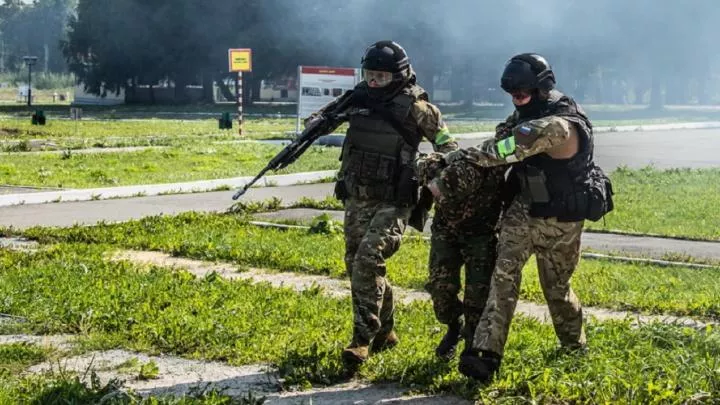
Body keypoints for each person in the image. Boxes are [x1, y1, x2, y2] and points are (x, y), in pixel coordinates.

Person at [428, 53, 613, 381]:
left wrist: (459, 155)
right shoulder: (526, 113)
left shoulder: (557, 124)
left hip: (562, 219)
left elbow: (502, 151)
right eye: (512, 92)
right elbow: (501, 139)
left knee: (557, 288)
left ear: (542, 88)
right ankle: (485, 354)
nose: (516, 97)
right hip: (524, 211)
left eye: (523, 92)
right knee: (503, 276)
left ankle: (574, 345)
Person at [307, 40, 458, 369]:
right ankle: (386, 330)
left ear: (399, 75)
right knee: (358, 267)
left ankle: (362, 338)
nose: (374, 82)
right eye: (370, 75)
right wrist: (314, 122)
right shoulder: (357, 96)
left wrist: (432, 166)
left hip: (395, 199)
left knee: (368, 257)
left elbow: (449, 147)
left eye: (381, 77)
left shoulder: (418, 108)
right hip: (357, 195)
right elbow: (327, 117)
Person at [417, 148, 507, 361]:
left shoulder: (494, 167)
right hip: (446, 231)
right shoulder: (439, 167)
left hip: (480, 234)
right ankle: (453, 326)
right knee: (440, 289)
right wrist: (439, 163)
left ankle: (471, 346)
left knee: (477, 296)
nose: (444, 188)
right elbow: (420, 166)